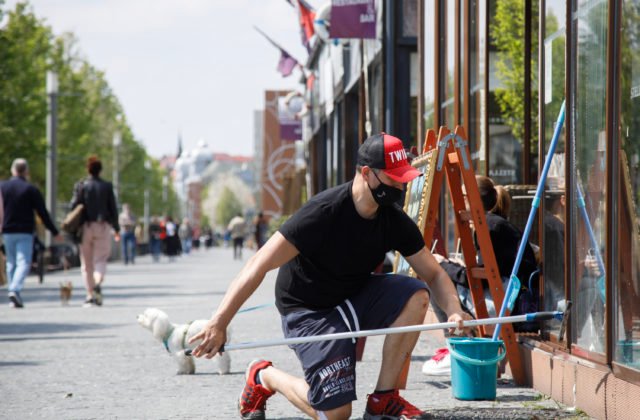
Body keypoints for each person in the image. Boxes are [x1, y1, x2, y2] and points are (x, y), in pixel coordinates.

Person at [189, 133, 472, 420]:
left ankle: (383, 400)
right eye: (393, 178)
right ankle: (264, 376)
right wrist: (219, 322)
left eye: (404, 178)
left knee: (416, 294)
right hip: (309, 310)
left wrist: (454, 311)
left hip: (354, 296)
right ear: (366, 173)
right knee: (335, 414)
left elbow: (434, 274)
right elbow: (257, 264)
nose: (401, 185)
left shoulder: (392, 219)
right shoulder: (323, 212)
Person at [422, 176, 538, 376]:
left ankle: (456, 345)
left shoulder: (488, 226)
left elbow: (479, 279)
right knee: (444, 276)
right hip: (511, 297)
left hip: (507, 302)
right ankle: (460, 342)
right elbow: (485, 271)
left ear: (468, 198)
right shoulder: (495, 223)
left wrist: (442, 265)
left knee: (435, 282)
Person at [0, 158, 61, 308]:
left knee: (11, 262)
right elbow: (42, 213)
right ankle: (15, 289)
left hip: (7, 230)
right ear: (26, 171)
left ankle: (12, 291)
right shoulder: (30, 189)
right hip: (25, 231)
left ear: (13, 170)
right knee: (24, 262)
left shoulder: (2, 187)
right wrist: (54, 231)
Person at [69, 156, 120, 307]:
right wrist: (116, 228)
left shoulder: (82, 185)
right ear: (100, 170)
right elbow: (113, 209)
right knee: (100, 259)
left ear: (88, 169)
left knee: (86, 263)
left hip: (86, 228)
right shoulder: (107, 186)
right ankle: (98, 281)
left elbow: (74, 206)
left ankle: (90, 294)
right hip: (103, 226)